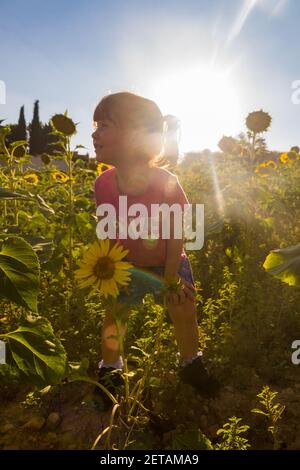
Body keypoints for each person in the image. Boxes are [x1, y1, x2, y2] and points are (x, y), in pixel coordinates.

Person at [91, 91, 219, 410]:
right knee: (114, 317)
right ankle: (111, 370)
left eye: (103, 125)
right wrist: (109, 270)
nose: (93, 134)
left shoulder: (166, 182)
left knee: (183, 311)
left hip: (168, 262)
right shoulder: (103, 184)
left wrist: (172, 277)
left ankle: (191, 363)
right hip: (126, 264)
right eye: (95, 126)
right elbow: (107, 228)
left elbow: (176, 233)